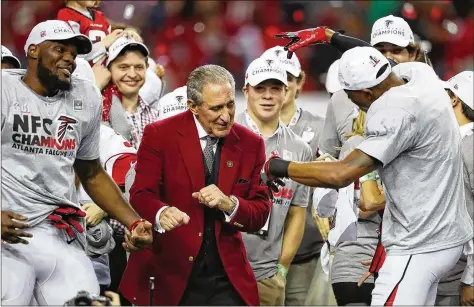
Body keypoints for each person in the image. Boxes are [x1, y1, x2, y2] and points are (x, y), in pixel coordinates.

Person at [263, 46, 474, 305]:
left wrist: (277, 166)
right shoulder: (420, 75)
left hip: (418, 245)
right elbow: (379, 62)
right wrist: (331, 37)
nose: (351, 104)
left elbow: (342, 174)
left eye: (350, 97)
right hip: (444, 240)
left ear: (366, 92)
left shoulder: (395, 114)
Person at [0, 20, 153, 305]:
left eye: (74, 52)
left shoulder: (84, 97)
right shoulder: (4, 91)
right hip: (8, 235)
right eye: (60, 49)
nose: (69, 57)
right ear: (33, 50)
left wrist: (134, 222)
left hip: (61, 233)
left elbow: (91, 172)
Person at [119, 64, 272, 306]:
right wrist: (161, 212)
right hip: (171, 274)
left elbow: (260, 214)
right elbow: (141, 193)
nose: (226, 115)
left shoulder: (251, 144)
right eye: (216, 108)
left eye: (230, 104)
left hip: (226, 279)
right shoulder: (160, 134)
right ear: (192, 106)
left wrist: (230, 203)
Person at [235, 57, 311, 306]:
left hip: (267, 275)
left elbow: (297, 214)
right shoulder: (224, 136)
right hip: (221, 270)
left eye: (275, 88)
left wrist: (281, 269)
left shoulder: (301, 149)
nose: (267, 96)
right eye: (260, 88)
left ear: (286, 92)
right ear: (246, 91)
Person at [259, 46, 327, 306]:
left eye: (287, 78)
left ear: (299, 83)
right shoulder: (242, 128)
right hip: (253, 253)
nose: (281, 87)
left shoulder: (321, 127)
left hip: (305, 251)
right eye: (271, 80)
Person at [437, 71, 474, 306]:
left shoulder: (470, 146)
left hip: (459, 272)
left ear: (454, 99)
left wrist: (471, 278)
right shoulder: (454, 143)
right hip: (445, 270)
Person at [102, 37, 159, 148]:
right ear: (108, 70)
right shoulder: (100, 114)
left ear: (146, 68)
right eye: (123, 67)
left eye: (138, 67)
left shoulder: (158, 116)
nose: (132, 74)